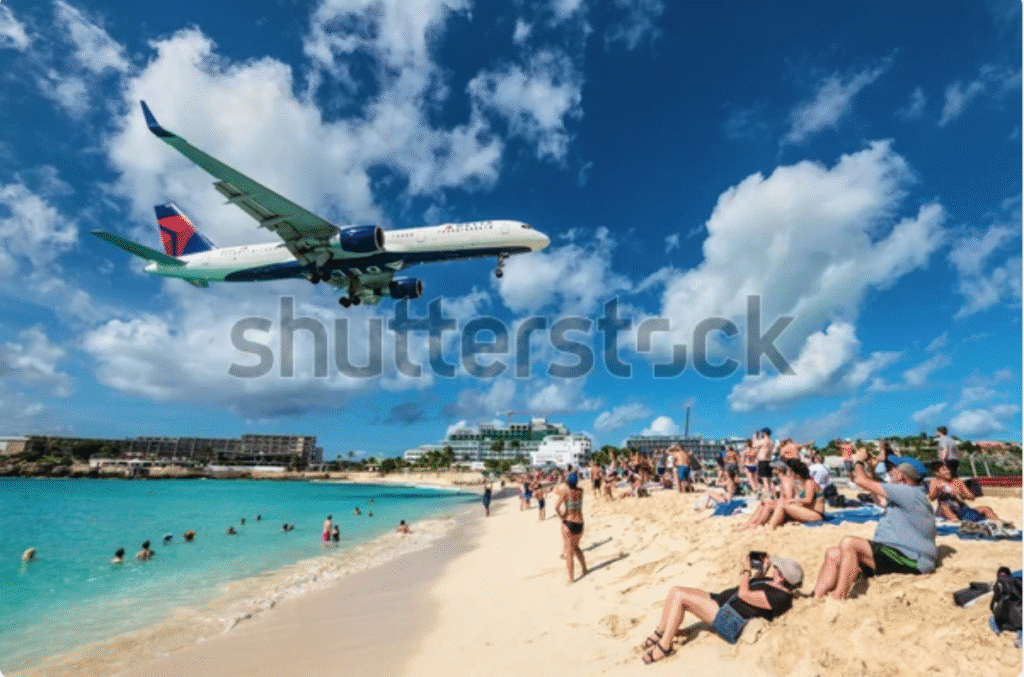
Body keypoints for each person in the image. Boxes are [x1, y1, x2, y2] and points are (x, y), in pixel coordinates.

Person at [812, 449, 937, 600]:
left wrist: (858, 461)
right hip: (893, 553)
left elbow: (860, 481)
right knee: (833, 554)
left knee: (849, 542)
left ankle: (838, 597)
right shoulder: (907, 493)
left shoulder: (908, 493)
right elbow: (879, 500)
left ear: (902, 476)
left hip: (912, 560)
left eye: (892, 468)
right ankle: (816, 597)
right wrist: (871, 469)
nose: (889, 471)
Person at [639, 553, 803, 663]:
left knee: (680, 596)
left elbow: (744, 594)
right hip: (723, 601)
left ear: (782, 578)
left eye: (777, 569)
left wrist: (746, 569)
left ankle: (665, 646)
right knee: (675, 590)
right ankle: (660, 631)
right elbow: (754, 586)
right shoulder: (775, 584)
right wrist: (762, 569)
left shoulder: (779, 597)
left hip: (728, 617)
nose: (775, 568)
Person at [927, 462, 999, 521]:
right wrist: (937, 490)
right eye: (944, 470)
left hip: (961, 509)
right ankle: (956, 522)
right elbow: (931, 498)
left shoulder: (957, 481)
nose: (948, 472)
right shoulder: (935, 482)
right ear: (937, 473)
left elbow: (971, 497)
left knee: (986, 509)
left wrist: (959, 494)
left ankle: (998, 523)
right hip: (944, 511)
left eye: (948, 469)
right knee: (944, 507)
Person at [766, 460, 824, 529]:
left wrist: (793, 500)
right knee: (778, 504)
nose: (789, 473)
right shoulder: (803, 483)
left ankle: (771, 528)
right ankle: (765, 525)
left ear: (797, 474)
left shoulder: (809, 483)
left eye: (791, 472)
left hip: (816, 514)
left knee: (783, 505)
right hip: (808, 511)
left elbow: (808, 500)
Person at [554, 472, 587, 583]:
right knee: (576, 547)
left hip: (569, 522)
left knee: (569, 553)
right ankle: (585, 569)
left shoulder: (565, 492)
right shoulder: (581, 491)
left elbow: (556, 507)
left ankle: (571, 579)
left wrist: (561, 516)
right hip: (580, 523)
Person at [754, 429, 773, 497]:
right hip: (769, 461)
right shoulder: (771, 442)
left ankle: (768, 496)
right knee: (769, 480)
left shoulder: (764, 441)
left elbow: (754, 445)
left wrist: (755, 438)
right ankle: (772, 494)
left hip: (762, 461)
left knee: (765, 480)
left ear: (764, 433)